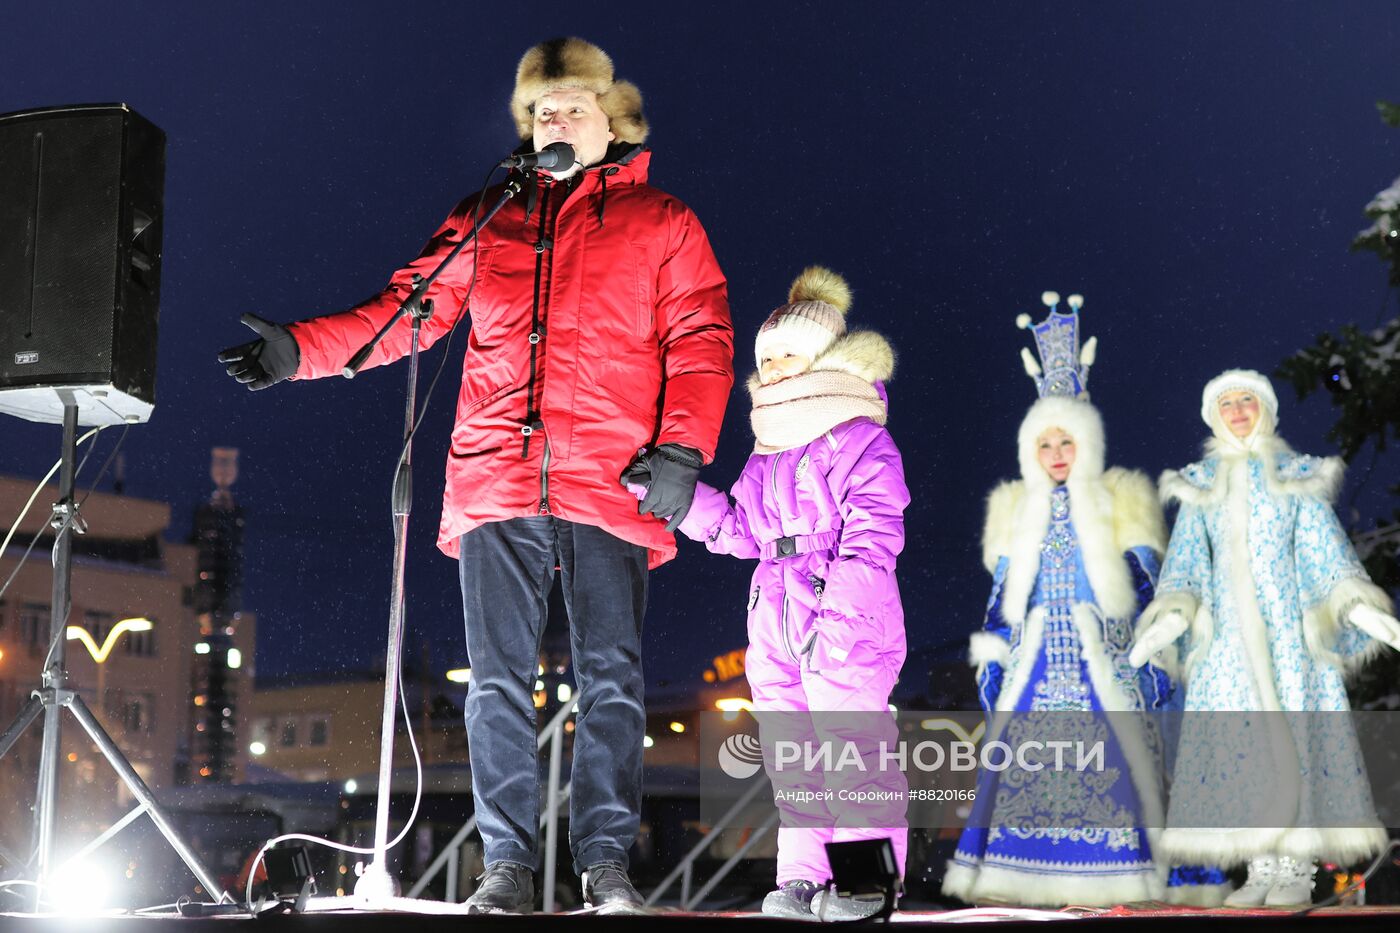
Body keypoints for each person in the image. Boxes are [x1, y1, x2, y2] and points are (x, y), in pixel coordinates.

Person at [218, 37, 733, 914]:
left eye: (570, 107)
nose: (552, 123)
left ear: (611, 118)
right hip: (497, 476)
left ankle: (606, 862)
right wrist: (302, 350)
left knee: (611, 672)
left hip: (612, 478)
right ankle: (507, 864)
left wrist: (683, 450)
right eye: (539, 112)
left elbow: (702, 338)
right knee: (495, 679)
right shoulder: (490, 216)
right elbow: (406, 311)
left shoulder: (661, 221)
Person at [628, 268, 908, 920]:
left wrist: (839, 614)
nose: (776, 368)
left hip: (844, 617)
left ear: (822, 361)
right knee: (795, 761)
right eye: (767, 358)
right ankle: (805, 877)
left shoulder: (862, 437)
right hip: (776, 621)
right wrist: (677, 500)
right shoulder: (768, 452)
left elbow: (873, 537)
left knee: (852, 749)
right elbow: (740, 530)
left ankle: (867, 881)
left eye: (790, 356)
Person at [1129, 369, 1400, 908]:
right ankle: (1260, 867)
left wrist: (1363, 610)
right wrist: (1171, 617)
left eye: (1245, 400)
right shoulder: (1200, 484)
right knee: (1243, 749)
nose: (1236, 411)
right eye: (1224, 403)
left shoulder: (1295, 477)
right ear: (1213, 416)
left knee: (1295, 745)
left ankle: (1294, 869)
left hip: (1289, 641)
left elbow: (1325, 554)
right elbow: (1186, 566)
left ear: (1266, 409)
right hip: (1227, 648)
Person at [942, 294, 1175, 907]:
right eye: (1044, 446)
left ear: (1088, 444)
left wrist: (1148, 652)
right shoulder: (1014, 508)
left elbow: (1148, 587)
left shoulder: (1123, 497)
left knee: (1115, 767)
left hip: (1106, 654)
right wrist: (996, 658)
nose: (1056, 456)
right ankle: (1032, 880)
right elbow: (1001, 598)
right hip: (1037, 657)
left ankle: (1117, 879)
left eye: (1066, 443)